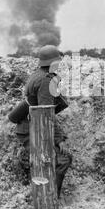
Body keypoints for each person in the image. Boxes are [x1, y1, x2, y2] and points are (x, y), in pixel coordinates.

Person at [14, 45, 72, 197]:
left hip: (31, 126)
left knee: (52, 160)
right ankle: (49, 197)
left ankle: (46, 195)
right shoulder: (46, 81)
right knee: (62, 159)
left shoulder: (38, 75)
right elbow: (46, 113)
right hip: (33, 128)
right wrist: (59, 140)